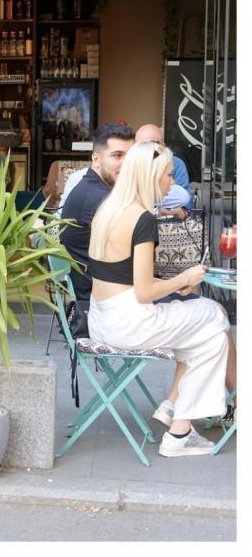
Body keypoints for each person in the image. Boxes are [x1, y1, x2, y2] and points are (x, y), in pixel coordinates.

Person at [87, 141, 235, 457]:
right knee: (215, 315)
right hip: (130, 324)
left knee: (210, 338)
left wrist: (171, 286)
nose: (172, 182)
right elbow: (142, 293)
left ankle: (179, 426)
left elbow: (123, 277)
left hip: (102, 320)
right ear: (151, 177)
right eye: (168, 175)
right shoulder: (143, 219)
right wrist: (185, 279)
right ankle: (179, 420)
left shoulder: (108, 210)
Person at [60, 123, 135, 300]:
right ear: (96, 159)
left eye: (130, 156)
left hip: (101, 294)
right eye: (117, 155)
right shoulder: (99, 199)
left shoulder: (92, 188)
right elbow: (132, 261)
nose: (126, 163)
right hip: (103, 303)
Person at [135, 124, 192, 208]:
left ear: (163, 146)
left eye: (150, 144)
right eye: (140, 145)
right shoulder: (127, 165)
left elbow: (184, 201)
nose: (144, 150)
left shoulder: (176, 164)